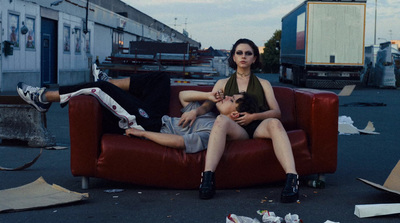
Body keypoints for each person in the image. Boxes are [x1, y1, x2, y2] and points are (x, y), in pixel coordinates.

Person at [16, 65, 258, 154]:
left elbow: (179, 143)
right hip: (158, 115)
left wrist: (143, 134)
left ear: (234, 114)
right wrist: (206, 98)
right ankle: (111, 82)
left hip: (150, 125)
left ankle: (43, 97)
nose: (225, 96)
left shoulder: (212, 130)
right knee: (162, 78)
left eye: (230, 99)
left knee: (100, 88)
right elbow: (183, 95)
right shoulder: (207, 112)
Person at [182, 38, 299, 203]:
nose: (243, 56)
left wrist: (254, 116)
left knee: (275, 123)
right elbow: (208, 105)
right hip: (236, 129)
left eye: (248, 53)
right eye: (239, 53)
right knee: (221, 120)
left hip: (259, 126)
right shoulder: (222, 83)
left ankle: (292, 180)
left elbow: (276, 112)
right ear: (234, 57)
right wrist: (195, 112)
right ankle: (207, 178)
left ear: (254, 58)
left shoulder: (263, 83)